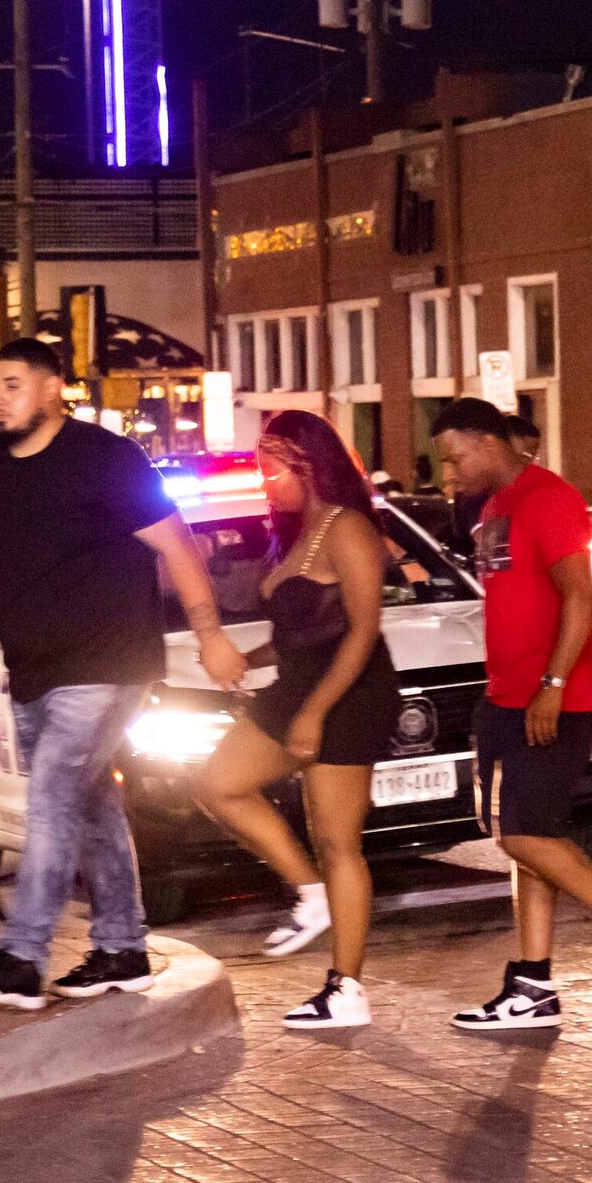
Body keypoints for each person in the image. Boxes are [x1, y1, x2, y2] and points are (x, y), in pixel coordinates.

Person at [0, 340, 249, 1013]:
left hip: (108, 662)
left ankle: (23, 956)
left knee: (53, 794)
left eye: (13, 384)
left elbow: (176, 543)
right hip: (33, 669)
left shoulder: (103, 458)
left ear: (53, 389)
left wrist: (209, 634)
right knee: (88, 804)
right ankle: (122, 946)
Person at [428, 396, 592, 1030]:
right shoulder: (494, 508)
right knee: (528, 841)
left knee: (521, 833)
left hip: (554, 699)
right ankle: (532, 985)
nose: (451, 473)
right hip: (507, 696)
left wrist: (552, 684)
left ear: (487, 442)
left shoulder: (550, 499)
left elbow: (580, 598)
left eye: (456, 458)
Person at [190, 409, 401, 1031]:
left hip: (350, 691)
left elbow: (363, 629)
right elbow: (300, 632)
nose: (264, 479)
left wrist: (314, 713)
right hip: (296, 685)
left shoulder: (348, 528)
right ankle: (310, 895)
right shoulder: (295, 530)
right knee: (214, 784)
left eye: (270, 466)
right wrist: (242, 661)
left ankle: (347, 988)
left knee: (338, 840)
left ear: (306, 463)